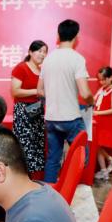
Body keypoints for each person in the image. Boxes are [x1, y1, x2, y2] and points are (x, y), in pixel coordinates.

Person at [38, 19, 94, 183]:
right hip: (71, 118)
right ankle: (68, 188)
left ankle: (50, 191)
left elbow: (39, 91)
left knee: (53, 159)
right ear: (77, 36)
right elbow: (85, 92)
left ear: (58, 35)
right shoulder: (77, 59)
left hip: (51, 118)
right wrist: (91, 101)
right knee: (81, 157)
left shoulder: (48, 59)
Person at [12, 40, 48, 180]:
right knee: (24, 145)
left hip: (38, 111)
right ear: (30, 52)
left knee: (37, 145)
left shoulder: (42, 71)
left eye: (45, 52)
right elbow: (15, 91)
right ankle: (22, 178)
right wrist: (36, 91)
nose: (42, 54)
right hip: (23, 111)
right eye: (39, 51)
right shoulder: (21, 68)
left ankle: (36, 179)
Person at [92, 66, 112, 180]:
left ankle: (110, 160)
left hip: (106, 122)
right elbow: (94, 100)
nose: (101, 82)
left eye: (103, 79)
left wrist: (97, 112)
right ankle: (104, 170)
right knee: (96, 145)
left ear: (111, 78)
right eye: (100, 80)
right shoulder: (102, 89)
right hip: (98, 121)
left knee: (97, 144)